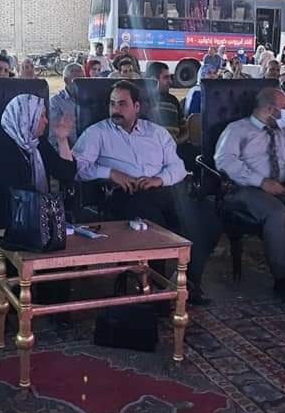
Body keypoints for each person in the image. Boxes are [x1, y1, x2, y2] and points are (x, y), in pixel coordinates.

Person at [73, 80, 212, 304]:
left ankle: (187, 281)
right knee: (152, 223)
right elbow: (77, 168)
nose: (115, 110)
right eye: (112, 104)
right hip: (125, 194)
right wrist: (110, 173)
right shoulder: (97, 133)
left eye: (122, 104)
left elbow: (177, 166)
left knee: (205, 215)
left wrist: (159, 180)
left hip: (162, 190)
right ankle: (154, 287)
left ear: (136, 107)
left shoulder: (156, 132)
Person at [214, 88, 285, 306]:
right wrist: (261, 181)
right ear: (270, 109)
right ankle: (283, 280)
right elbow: (224, 162)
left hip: (283, 186)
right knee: (276, 215)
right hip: (248, 189)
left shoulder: (281, 130)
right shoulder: (237, 130)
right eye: (284, 108)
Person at [0, 94, 76, 292]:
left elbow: (66, 173)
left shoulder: (37, 143)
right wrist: (47, 210)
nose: (46, 121)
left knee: (62, 254)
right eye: (42, 116)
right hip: (5, 222)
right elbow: (14, 194)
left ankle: (52, 305)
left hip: (36, 218)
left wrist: (62, 140)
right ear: (27, 118)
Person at [146, 61, 196, 170]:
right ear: (154, 80)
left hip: (174, 148)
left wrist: (175, 143)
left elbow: (185, 131)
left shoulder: (173, 100)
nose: (170, 81)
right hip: (149, 150)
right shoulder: (143, 101)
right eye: (166, 78)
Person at [49, 63, 83, 147]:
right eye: (76, 80)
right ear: (66, 80)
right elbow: (54, 134)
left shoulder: (90, 98)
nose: (80, 84)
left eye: (82, 80)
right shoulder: (56, 101)